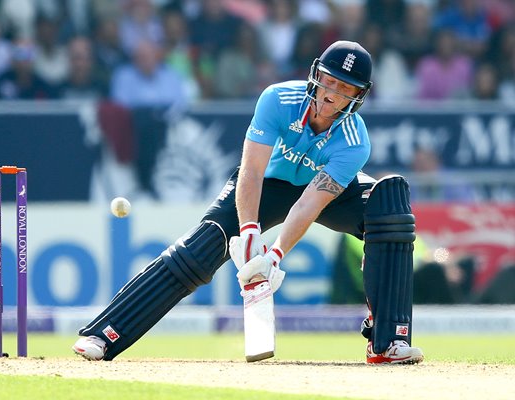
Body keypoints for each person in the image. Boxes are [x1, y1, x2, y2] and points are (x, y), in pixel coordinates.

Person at [72, 40, 424, 364]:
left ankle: (387, 342)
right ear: (316, 75)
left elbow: (308, 205)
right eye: (329, 81)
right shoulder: (277, 100)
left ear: (358, 97)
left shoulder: (355, 141)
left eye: (345, 88)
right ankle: (104, 334)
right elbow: (252, 172)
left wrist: (274, 255)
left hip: (320, 192)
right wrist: (250, 231)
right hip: (266, 182)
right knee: (202, 248)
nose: (332, 93)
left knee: (389, 202)